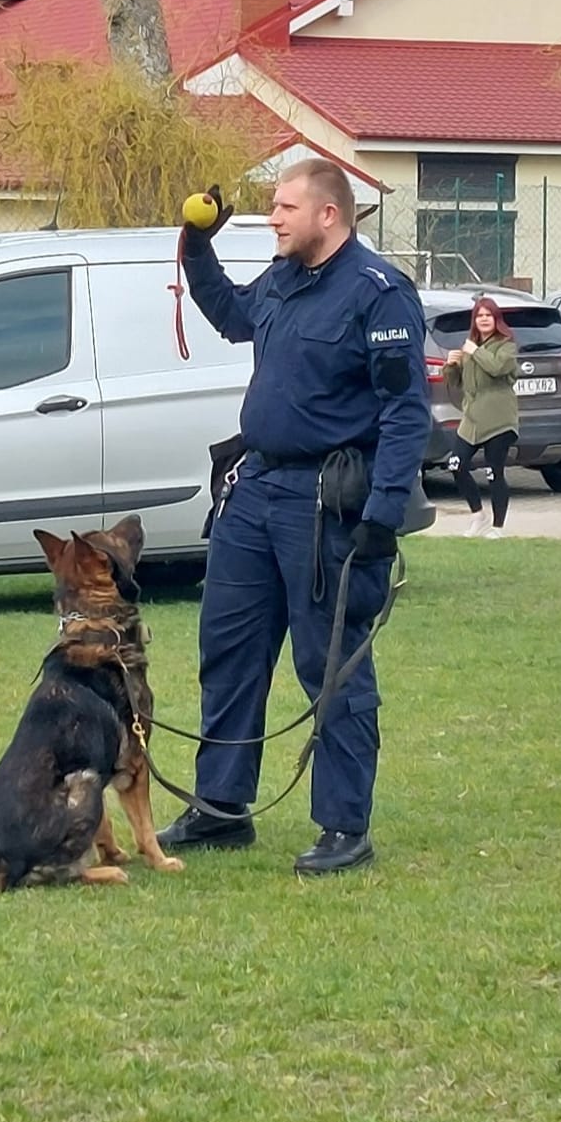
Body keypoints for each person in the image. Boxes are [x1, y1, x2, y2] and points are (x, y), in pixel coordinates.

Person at [157, 159, 430, 877]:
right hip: (254, 491)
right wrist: (198, 246)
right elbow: (231, 316)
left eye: (284, 207)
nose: (272, 218)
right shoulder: (283, 278)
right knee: (230, 652)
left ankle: (344, 826)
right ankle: (220, 807)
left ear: (327, 215)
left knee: (329, 666)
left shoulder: (378, 294)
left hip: (323, 504)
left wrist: (382, 514)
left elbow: (406, 414)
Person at [442, 296, 519, 537]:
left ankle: (498, 527)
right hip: (472, 419)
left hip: (498, 419)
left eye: (488, 315)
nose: (484, 319)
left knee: (493, 471)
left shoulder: (506, 345)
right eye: (479, 316)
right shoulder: (470, 345)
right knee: (456, 464)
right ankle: (477, 515)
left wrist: (475, 352)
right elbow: (457, 383)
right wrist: (451, 365)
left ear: (496, 319)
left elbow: (497, 368)